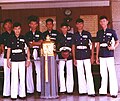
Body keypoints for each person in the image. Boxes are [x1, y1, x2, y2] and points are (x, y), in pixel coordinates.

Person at [96, 16, 119, 98]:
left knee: (111, 73)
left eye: (104, 21)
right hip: (102, 54)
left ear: (107, 22)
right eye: (101, 21)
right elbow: (98, 45)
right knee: (103, 73)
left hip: (109, 54)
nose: (102, 23)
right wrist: (96, 57)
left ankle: (113, 92)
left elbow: (117, 41)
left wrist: (114, 47)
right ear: (99, 23)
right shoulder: (99, 32)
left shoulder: (112, 31)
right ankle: (103, 91)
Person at [7, 22, 30, 100]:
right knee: (14, 78)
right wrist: (7, 60)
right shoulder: (10, 38)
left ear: (21, 29)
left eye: (19, 29)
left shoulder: (24, 38)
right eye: (16, 29)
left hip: (22, 59)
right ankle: (13, 95)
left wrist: (28, 59)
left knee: (22, 77)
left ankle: (22, 94)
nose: (17, 31)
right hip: (13, 60)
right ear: (13, 29)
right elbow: (9, 50)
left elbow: (27, 49)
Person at [72, 18, 95, 96]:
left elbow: (91, 45)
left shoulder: (87, 34)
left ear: (83, 24)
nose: (79, 25)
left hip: (87, 55)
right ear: (76, 25)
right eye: (78, 24)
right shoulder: (74, 35)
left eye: (81, 24)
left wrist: (92, 56)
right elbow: (73, 47)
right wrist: (74, 58)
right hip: (78, 55)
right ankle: (82, 90)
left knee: (88, 73)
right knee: (80, 73)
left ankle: (91, 91)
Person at [25, 15, 43, 95]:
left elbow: (41, 43)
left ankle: (39, 89)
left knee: (38, 71)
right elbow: (27, 44)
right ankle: (30, 90)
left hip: (38, 53)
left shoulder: (40, 33)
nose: (33, 25)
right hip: (29, 53)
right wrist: (36, 43)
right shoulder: (27, 34)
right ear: (29, 24)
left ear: (37, 25)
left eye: (35, 24)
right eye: (31, 24)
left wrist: (34, 43)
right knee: (29, 71)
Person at [57, 23, 74, 94]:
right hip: (61, 55)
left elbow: (73, 46)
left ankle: (70, 89)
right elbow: (57, 46)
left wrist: (71, 54)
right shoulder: (59, 36)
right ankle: (62, 89)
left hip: (69, 55)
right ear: (61, 29)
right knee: (60, 71)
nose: (64, 29)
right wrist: (60, 53)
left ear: (68, 28)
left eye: (65, 28)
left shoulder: (71, 36)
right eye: (63, 28)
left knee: (70, 72)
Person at [0, 19, 14, 97]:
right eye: (6, 25)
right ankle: (6, 92)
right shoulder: (2, 35)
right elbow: (2, 46)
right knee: (6, 74)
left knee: (14, 75)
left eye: (9, 24)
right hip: (6, 56)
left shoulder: (14, 34)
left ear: (11, 25)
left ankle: (14, 91)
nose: (8, 26)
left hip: (14, 56)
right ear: (4, 26)